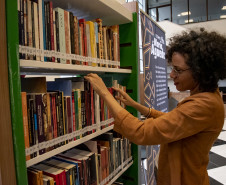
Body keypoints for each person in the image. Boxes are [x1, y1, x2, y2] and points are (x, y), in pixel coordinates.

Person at [84, 28, 226, 185]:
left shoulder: (204, 104)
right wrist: (137, 106)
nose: (172, 75)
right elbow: (176, 122)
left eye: (178, 70)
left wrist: (104, 94)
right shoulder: (207, 96)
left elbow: (142, 132)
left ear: (201, 71)